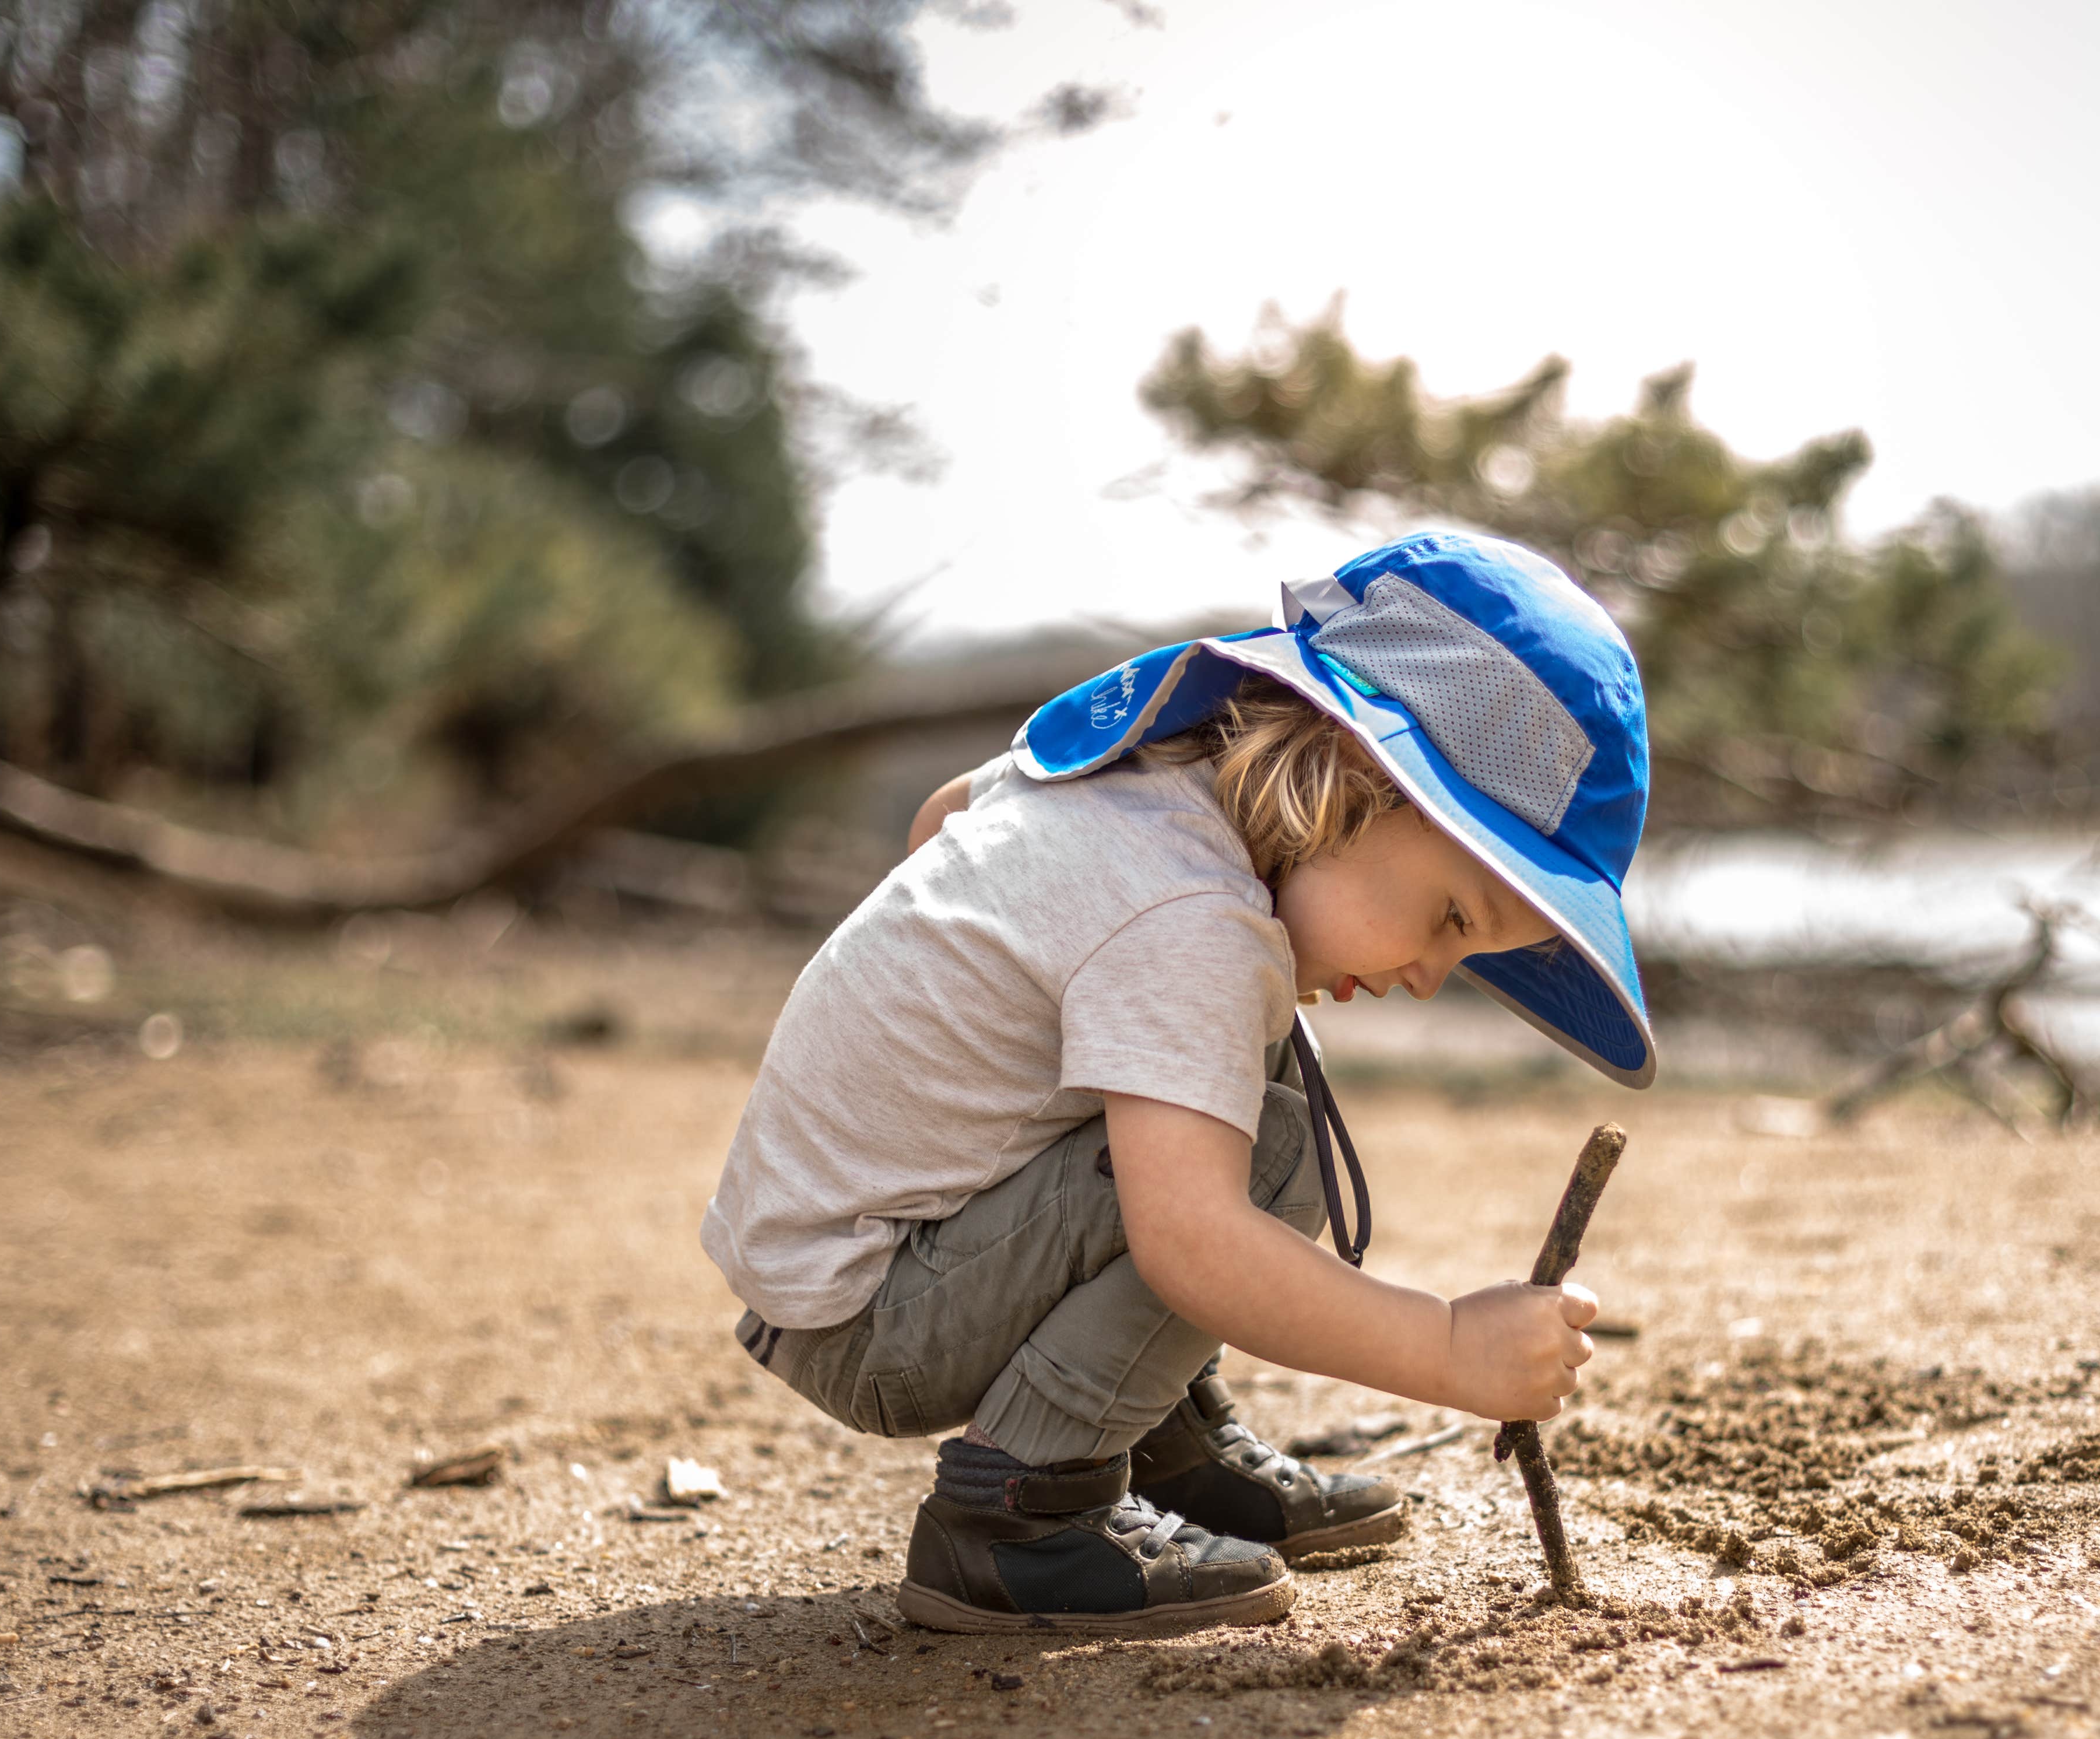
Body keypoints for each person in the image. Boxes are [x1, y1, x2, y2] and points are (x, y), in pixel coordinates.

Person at [703, 530, 1657, 1635]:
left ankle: (1157, 1435)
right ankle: (1020, 1517)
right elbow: (1193, 1244)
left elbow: (943, 822)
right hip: (875, 1317)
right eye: (1452, 918)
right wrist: (1449, 1348)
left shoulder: (1135, 773)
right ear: (1352, 778)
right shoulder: (1191, 920)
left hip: (824, 1265)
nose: (1435, 977)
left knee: (1234, 1091)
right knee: (1265, 1158)